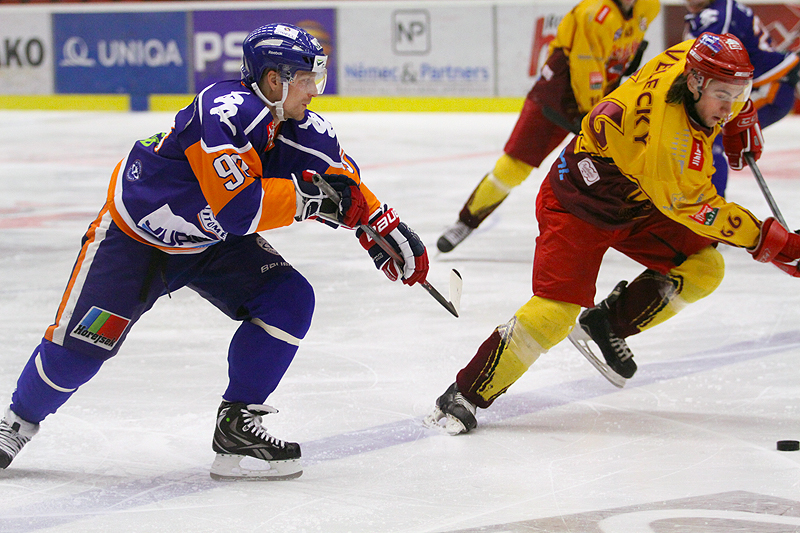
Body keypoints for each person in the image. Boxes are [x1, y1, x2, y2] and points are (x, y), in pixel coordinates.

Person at [0, 23, 429, 479]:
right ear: (273, 79)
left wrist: (378, 223)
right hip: (136, 240)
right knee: (79, 351)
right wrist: (309, 199)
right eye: (305, 80)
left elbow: (342, 180)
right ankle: (16, 423)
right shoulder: (223, 111)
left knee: (288, 300)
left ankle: (237, 425)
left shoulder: (302, 126)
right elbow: (239, 210)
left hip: (210, 244)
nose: (313, 92)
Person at [425, 32, 800, 436]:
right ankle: (465, 393)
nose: (729, 105)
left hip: (636, 198)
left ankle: (606, 323)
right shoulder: (670, 146)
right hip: (578, 203)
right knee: (554, 315)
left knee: (705, 269)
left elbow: (721, 82)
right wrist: (772, 241)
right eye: (722, 96)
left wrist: (742, 113)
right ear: (694, 83)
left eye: (739, 93)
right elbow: (702, 210)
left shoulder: (688, 60)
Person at [437, 0, 661, 253]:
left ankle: (630, 234)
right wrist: (593, 114)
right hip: (558, 93)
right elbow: (586, 67)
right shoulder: (595, 14)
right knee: (514, 167)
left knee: (619, 167)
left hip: (599, 99)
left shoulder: (649, 6)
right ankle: (466, 221)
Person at [684, 0, 800, 196]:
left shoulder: (718, 14)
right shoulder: (717, 10)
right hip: (757, 86)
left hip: (768, 88)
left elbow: (703, 60)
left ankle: (710, 203)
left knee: (711, 132)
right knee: (705, 131)